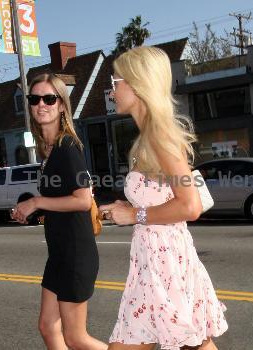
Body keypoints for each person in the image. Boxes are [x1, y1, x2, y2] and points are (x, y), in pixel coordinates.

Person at [99, 47, 228, 350]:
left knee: (190, 342)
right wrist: (130, 208)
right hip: (154, 260)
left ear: (137, 84)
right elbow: (165, 196)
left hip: (164, 262)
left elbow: (190, 205)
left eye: (116, 83)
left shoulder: (158, 136)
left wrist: (134, 216)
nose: (111, 91)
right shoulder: (147, 138)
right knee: (194, 342)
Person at [11, 73, 107, 350]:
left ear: (62, 105)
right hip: (60, 254)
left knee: (76, 338)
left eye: (49, 98)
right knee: (48, 327)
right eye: (34, 98)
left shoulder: (67, 147)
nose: (41, 104)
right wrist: (33, 210)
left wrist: (37, 202)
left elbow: (82, 200)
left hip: (75, 255)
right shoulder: (50, 149)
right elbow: (64, 199)